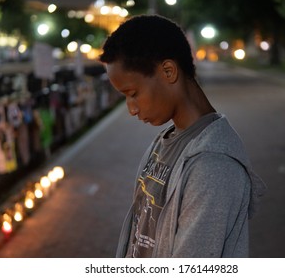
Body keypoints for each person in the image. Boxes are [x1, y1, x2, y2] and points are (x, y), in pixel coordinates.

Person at [99, 15, 266, 258]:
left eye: (133, 93)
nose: (131, 109)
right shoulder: (164, 141)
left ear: (168, 71)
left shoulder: (213, 167)